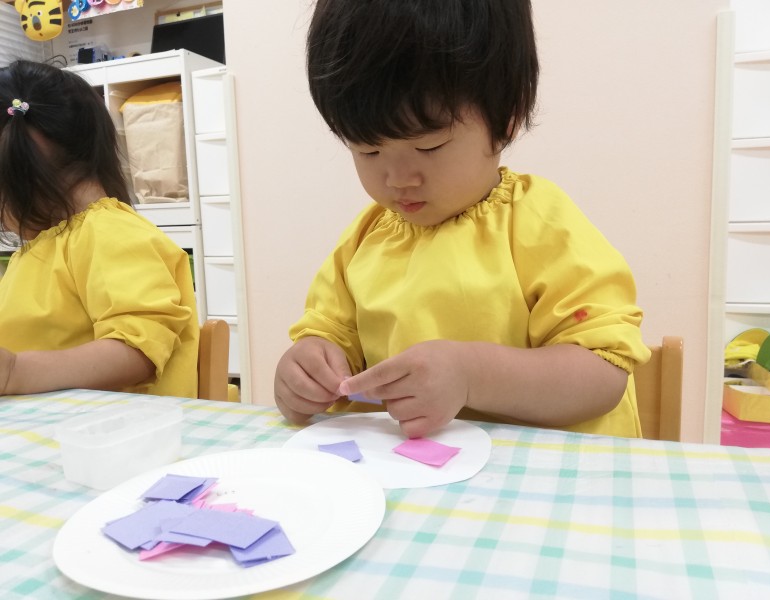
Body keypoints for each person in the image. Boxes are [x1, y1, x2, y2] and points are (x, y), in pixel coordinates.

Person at [274, 0, 651, 439]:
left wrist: (472, 375)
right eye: (368, 150)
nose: (398, 179)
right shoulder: (367, 238)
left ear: (507, 118)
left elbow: (603, 373)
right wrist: (307, 368)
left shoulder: (538, 224)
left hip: (545, 471)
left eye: (429, 147)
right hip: (417, 475)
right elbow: (329, 337)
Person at [0, 60, 199, 398]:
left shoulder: (110, 233)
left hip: (118, 428)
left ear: (21, 180)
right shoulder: (41, 248)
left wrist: (17, 372)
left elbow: (139, 349)